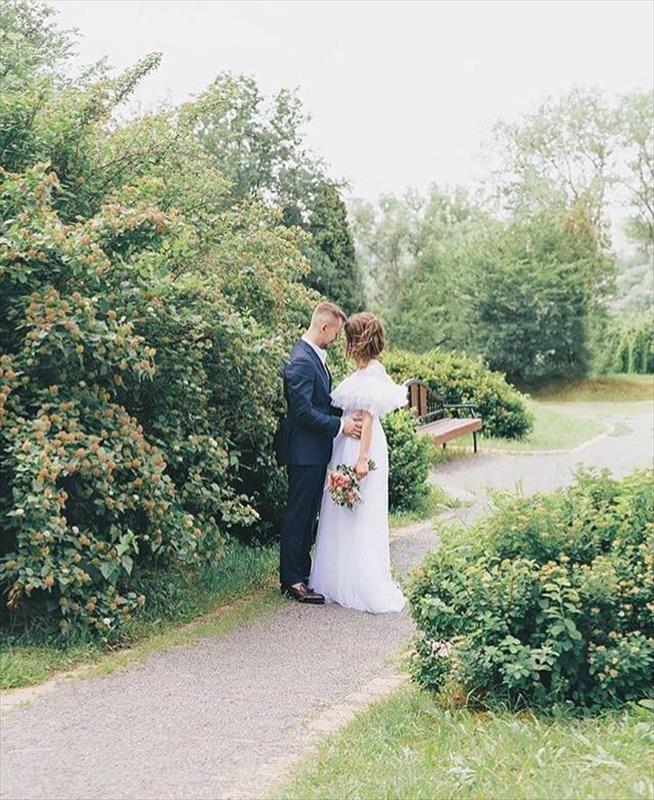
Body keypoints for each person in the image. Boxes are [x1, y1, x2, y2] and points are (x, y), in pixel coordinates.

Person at [309, 312, 408, 613]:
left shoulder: (374, 372)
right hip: (346, 447)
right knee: (343, 513)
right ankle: (340, 578)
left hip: (362, 449)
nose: (346, 345)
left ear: (359, 340)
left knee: (361, 513)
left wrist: (362, 459)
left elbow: (368, 417)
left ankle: (361, 581)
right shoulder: (362, 371)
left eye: (350, 339)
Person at [275, 302, 362, 604]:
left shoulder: (313, 357)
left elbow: (321, 402)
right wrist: (340, 426)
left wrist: (349, 409)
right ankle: (292, 580)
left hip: (313, 451)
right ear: (324, 328)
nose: (336, 339)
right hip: (303, 452)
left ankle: (302, 572)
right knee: (299, 515)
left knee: (308, 514)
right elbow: (302, 411)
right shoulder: (301, 360)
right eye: (335, 333)